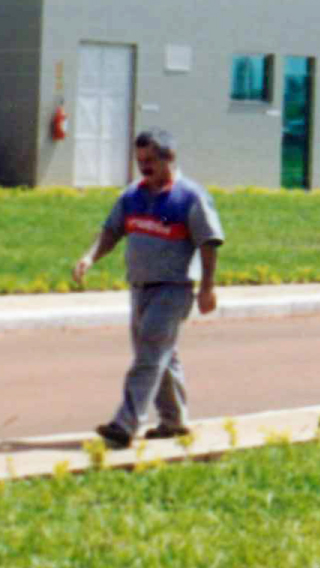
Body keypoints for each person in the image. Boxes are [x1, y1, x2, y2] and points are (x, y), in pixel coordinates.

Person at [73, 130, 224, 448]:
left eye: (150, 160)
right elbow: (111, 231)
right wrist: (89, 257)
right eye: (139, 160)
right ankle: (174, 422)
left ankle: (125, 424)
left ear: (170, 158)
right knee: (160, 357)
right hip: (140, 288)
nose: (143, 166)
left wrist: (207, 288)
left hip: (173, 289)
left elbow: (209, 243)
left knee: (149, 355)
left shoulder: (189, 197)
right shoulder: (132, 196)